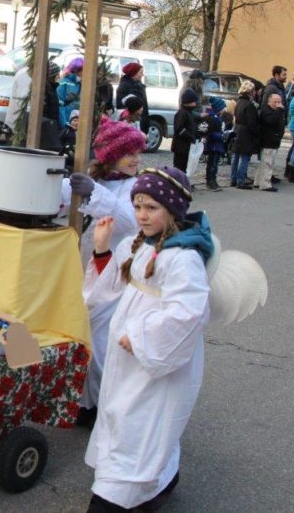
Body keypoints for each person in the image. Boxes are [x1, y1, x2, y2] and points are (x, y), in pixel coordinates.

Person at [84, 166, 212, 512]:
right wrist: (100, 250)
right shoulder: (135, 244)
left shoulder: (183, 258)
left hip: (156, 357)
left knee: (139, 424)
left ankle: (115, 499)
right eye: (138, 205)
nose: (141, 215)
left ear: (172, 210)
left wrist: (140, 337)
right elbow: (113, 288)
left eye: (151, 207)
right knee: (123, 416)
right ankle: (162, 480)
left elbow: (189, 313)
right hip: (127, 357)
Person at [66, 119, 147, 430]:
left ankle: (100, 404)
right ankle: (84, 401)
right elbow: (68, 196)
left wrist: (95, 193)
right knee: (86, 334)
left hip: (116, 272)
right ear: (112, 155)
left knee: (102, 341)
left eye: (139, 154)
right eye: (131, 154)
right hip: (92, 266)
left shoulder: (134, 186)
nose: (137, 160)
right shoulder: (101, 180)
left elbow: (129, 221)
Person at [231, 81, 260, 189]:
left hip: (237, 130)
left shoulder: (239, 102)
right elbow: (252, 123)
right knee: (244, 157)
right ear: (251, 92)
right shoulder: (249, 105)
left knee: (236, 156)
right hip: (246, 133)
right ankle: (240, 180)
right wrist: (256, 133)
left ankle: (233, 178)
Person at [255, 92, 286, 192]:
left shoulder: (276, 111)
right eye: (275, 102)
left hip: (274, 141)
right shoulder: (267, 111)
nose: (277, 104)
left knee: (265, 163)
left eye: (279, 102)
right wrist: (279, 110)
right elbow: (271, 121)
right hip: (268, 141)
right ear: (269, 102)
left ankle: (258, 181)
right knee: (267, 163)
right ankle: (265, 184)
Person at [116, 62, 150, 137]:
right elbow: (123, 107)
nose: (142, 75)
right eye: (140, 72)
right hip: (131, 123)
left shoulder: (138, 85)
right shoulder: (125, 86)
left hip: (139, 120)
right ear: (133, 73)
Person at [170, 87, 199, 173]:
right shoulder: (182, 113)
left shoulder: (189, 113)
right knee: (179, 167)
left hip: (186, 147)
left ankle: (184, 182)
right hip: (180, 147)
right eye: (193, 101)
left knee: (186, 167)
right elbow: (179, 129)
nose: (195, 103)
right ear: (188, 102)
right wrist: (190, 137)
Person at [203, 97, 228, 191]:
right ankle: (210, 182)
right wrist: (221, 136)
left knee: (214, 164)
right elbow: (210, 132)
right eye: (222, 108)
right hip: (214, 145)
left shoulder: (217, 117)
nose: (224, 110)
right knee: (212, 164)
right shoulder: (212, 118)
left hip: (216, 144)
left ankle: (212, 180)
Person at [57, 57, 84, 126]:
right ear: (76, 70)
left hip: (78, 121)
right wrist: (64, 123)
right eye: (83, 70)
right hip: (67, 121)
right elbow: (60, 103)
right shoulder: (64, 82)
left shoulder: (81, 83)